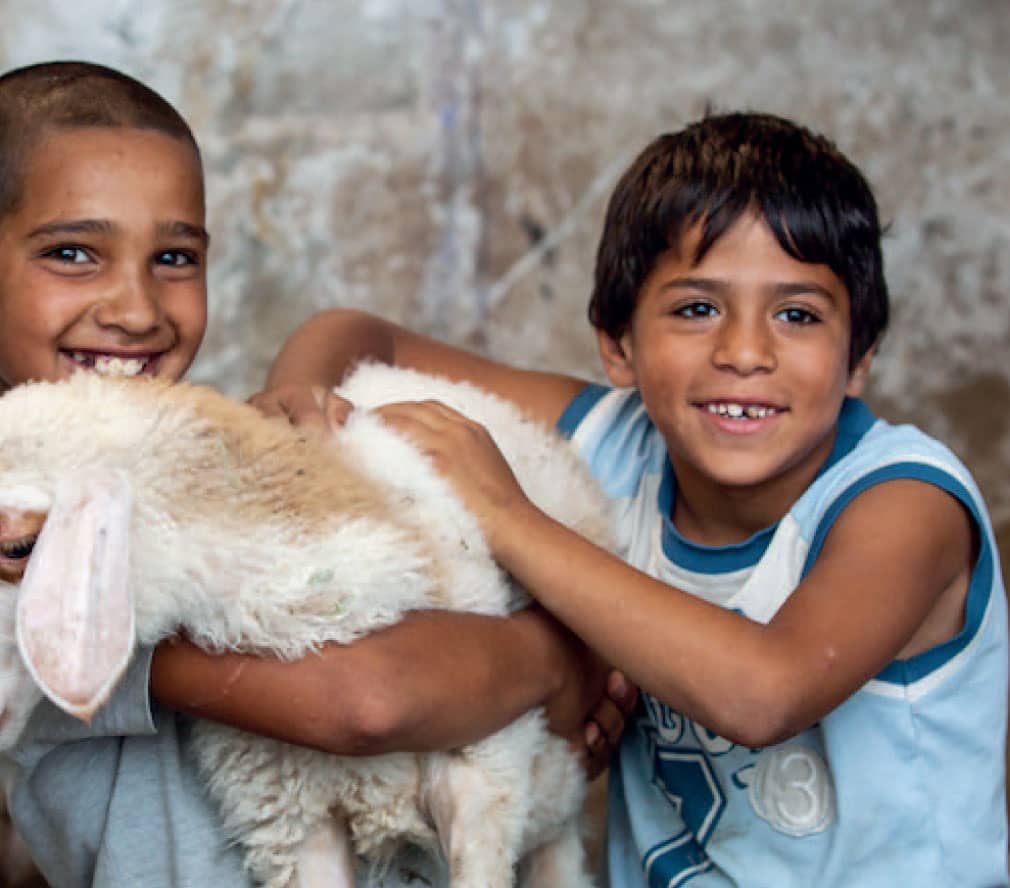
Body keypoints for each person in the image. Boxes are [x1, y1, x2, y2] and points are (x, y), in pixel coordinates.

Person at [257, 112, 1009, 886]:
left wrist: (507, 514)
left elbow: (764, 693)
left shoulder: (905, 501)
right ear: (619, 345)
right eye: (696, 308)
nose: (745, 353)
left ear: (859, 358)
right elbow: (354, 333)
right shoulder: (622, 441)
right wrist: (297, 405)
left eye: (797, 314)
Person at [0, 60, 634, 888]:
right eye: (74, 253)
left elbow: (440, 666)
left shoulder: (192, 461)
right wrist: (563, 656)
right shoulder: (22, 529)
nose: (137, 308)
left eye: (175, 256)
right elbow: (369, 699)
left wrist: (514, 682)